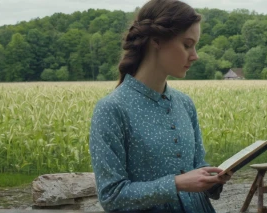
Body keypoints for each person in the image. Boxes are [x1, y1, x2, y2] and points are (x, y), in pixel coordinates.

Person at [88, 0, 232, 212]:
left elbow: (196, 165)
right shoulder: (112, 109)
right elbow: (111, 196)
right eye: (187, 44)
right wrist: (176, 183)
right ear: (156, 41)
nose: (195, 55)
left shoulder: (185, 103)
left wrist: (212, 178)